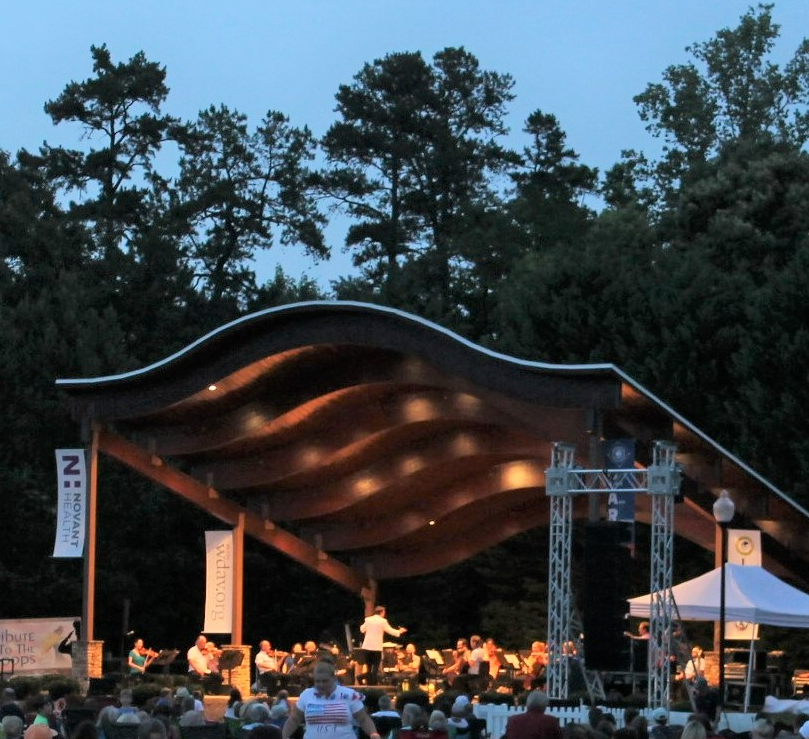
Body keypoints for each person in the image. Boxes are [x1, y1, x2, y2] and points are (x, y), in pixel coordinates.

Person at [281, 660, 380, 739]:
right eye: (317, 681)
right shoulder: (306, 695)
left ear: (334, 678)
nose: (321, 684)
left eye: (325, 681)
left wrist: (373, 733)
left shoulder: (349, 694)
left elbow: (363, 719)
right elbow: (294, 720)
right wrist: (283, 736)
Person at [359, 606, 407, 685]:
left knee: (368, 667)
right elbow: (391, 631)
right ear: (381, 612)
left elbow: (362, 629)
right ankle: (373, 686)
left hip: (367, 647)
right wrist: (400, 631)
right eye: (384, 612)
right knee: (375, 668)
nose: (384, 614)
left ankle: (368, 684)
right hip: (376, 648)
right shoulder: (383, 621)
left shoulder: (368, 620)